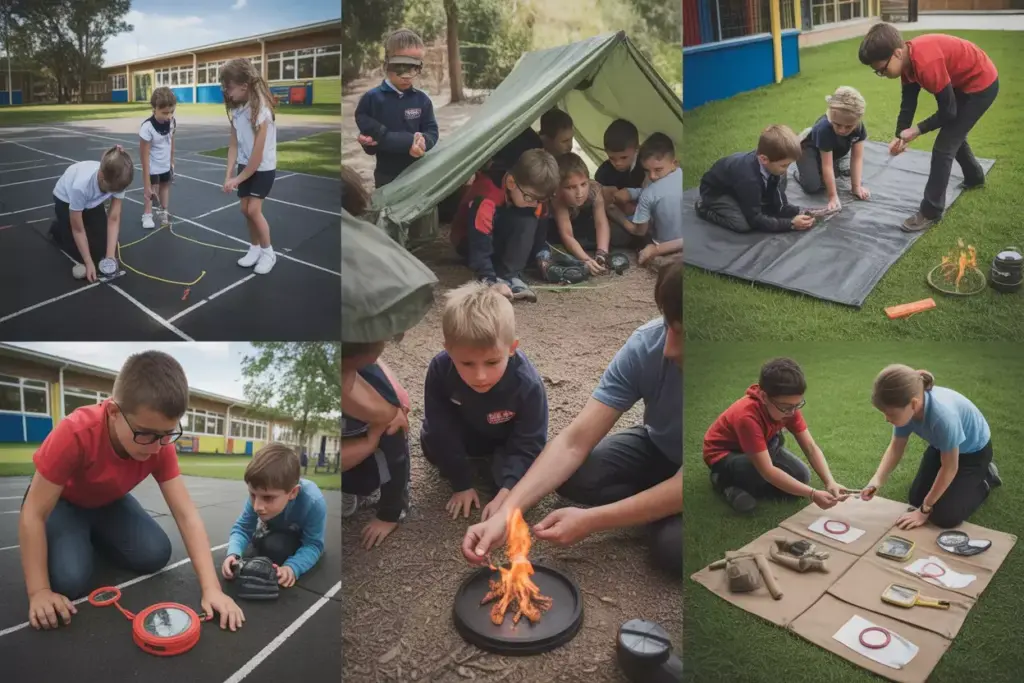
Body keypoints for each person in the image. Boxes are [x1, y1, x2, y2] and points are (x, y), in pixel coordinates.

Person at [461, 260, 683, 576]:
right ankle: (657, 505)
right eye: (667, 326)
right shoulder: (647, 344)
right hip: (660, 445)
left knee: (672, 550)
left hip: (709, 468)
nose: (669, 349)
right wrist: (508, 513)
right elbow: (573, 442)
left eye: (683, 334)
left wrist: (593, 520)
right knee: (575, 476)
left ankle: (674, 507)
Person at [18, 351, 245, 632]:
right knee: (70, 581)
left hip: (107, 503)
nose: (155, 447)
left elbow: (186, 515)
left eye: (167, 434)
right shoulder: (75, 433)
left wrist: (212, 590)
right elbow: (34, 512)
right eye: (145, 433)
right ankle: (75, 536)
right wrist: (38, 592)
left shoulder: (160, 444)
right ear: (114, 413)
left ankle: (93, 536)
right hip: (62, 504)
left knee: (156, 554)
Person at [421, 282, 548, 521]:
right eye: (467, 364)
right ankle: (469, 466)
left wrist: (507, 493)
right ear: (448, 351)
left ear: (512, 349)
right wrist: (461, 483)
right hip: (463, 435)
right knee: (431, 441)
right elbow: (441, 426)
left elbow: (530, 440)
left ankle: (499, 473)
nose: (480, 376)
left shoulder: (527, 383)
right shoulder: (440, 369)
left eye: (491, 363)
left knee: (528, 465)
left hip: (502, 440)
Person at [858, 24, 998, 233]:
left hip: (981, 84)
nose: (882, 74)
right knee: (953, 135)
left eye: (882, 70)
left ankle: (931, 211)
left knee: (944, 147)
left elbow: (948, 112)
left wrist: (917, 129)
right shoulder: (907, 60)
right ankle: (975, 177)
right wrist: (900, 136)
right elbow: (908, 102)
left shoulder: (926, 62)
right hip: (962, 82)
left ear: (897, 53)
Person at [861, 365, 1001, 529]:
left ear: (913, 404)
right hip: (941, 447)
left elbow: (950, 467)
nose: (887, 419)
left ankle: (986, 479)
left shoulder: (943, 417)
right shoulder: (907, 406)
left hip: (973, 453)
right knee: (915, 499)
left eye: (890, 414)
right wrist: (876, 481)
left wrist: (924, 510)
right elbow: (895, 448)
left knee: (944, 516)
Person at [702, 357, 849, 514]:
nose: (792, 412)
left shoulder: (788, 409)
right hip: (725, 455)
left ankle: (749, 484)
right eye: (786, 407)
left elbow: (811, 448)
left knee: (802, 477)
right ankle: (723, 482)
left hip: (762, 446)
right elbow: (768, 471)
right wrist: (812, 494)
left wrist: (830, 482)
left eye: (797, 405)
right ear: (764, 397)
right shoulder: (747, 417)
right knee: (759, 473)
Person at [453, 148, 562, 302]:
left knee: (527, 216)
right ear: (511, 183)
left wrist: (541, 252)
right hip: (470, 241)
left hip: (501, 235)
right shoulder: (488, 194)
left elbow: (540, 228)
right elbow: (478, 244)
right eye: (530, 197)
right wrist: (489, 280)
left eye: (540, 199)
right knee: (525, 219)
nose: (535, 204)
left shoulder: (532, 196)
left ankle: (510, 275)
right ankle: (505, 277)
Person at [222, 444, 327, 587]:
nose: (257, 506)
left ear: (293, 493)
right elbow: (242, 528)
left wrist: (292, 567)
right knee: (268, 545)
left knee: (278, 548)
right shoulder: (259, 496)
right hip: (275, 527)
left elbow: (313, 544)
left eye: (268, 498)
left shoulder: (313, 502)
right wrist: (233, 554)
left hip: (298, 535)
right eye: (252, 494)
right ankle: (265, 530)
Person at [340, 354, 411, 550]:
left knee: (376, 470)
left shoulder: (373, 388)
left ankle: (358, 489)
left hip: (368, 459)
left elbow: (396, 458)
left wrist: (390, 513)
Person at [355, 28, 439, 189]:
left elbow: (432, 130)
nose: (407, 75)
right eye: (400, 67)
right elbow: (364, 122)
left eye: (414, 68)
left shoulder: (423, 100)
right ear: (386, 64)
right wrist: (370, 142)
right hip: (386, 176)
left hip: (418, 173)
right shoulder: (372, 99)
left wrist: (423, 143)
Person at [695, 124, 816, 234]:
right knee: (742, 225)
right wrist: (791, 224)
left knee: (771, 201)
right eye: (784, 165)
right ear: (764, 159)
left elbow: (780, 205)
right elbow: (754, 219)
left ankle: (748, 199)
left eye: (789, 165)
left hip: (739, 186)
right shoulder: (749, 179)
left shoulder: (772, 167)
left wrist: (801, 211)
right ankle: (703, 208)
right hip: (716, 193)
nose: (786, 170)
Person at [220, 57, 279, 275]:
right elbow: (233, 144)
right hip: (245, 165)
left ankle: (268, 252)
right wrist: (228, 174)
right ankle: (254, 248)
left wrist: (238, 179)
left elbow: (257, 156)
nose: (227, 92)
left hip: (262, 167)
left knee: (253, 209)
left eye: (230, 88)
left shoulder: (261, 112)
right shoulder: (237, 110)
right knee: (244, 209)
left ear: (244, 86)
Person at [49, 145, 133, 283]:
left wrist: (110, 257)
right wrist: (88, 263)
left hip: (92, 202)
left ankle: (78, 230)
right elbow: (78, 229)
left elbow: (113, 218)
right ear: (101, 176)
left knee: (102, 249)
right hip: (65, 200)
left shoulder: (119, 180)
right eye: (111, 190)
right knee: (79, 251)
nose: (113, 192)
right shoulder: (81, 186)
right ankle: (58, 229)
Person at [545, 152, 634, 277]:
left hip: (582, 220)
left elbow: (601, 222)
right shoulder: (557, 198)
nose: (579, 192)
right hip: (555, 227)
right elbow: (567, 234)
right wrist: (586, 260)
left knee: (620, 236)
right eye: (571, 187)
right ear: (559, 187)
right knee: (558, 250)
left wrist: (602, 253)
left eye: (583, 184)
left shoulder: (594, 189)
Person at [606, 133, 684, 266]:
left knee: (624, 234)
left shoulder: (648, 194)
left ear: (674, 162)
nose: (652, 176)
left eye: (658, 170)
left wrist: (618, 217)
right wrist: (631, 192)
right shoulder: (681, 174)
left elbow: (639, 231)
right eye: (647, 171)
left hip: (662, 245)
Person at [794, 86, 870, 211]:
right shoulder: (824, 128)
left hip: (833, 149)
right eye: (838, 125)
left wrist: (856, 188)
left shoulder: (859, 128)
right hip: (808, 150)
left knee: (839, 174)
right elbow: (827, 166)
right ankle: (802, 171)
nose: (842, 130)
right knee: (812, 186)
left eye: (848, 127)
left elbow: (857, 158)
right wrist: (833, 197)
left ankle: (826, 168)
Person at [139, 86, 177, 229]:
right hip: (152, 165)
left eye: (171, 112)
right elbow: (144, 155)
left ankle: (163, 211)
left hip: (165, 164)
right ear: (154, 108)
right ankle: (147, 214)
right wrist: (146, 181)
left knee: (165, 187)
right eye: (165, 113)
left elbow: (171, 142)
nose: (169, 116)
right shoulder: (147, 127)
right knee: (152, 189)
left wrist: (172, 162)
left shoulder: (172, 122)